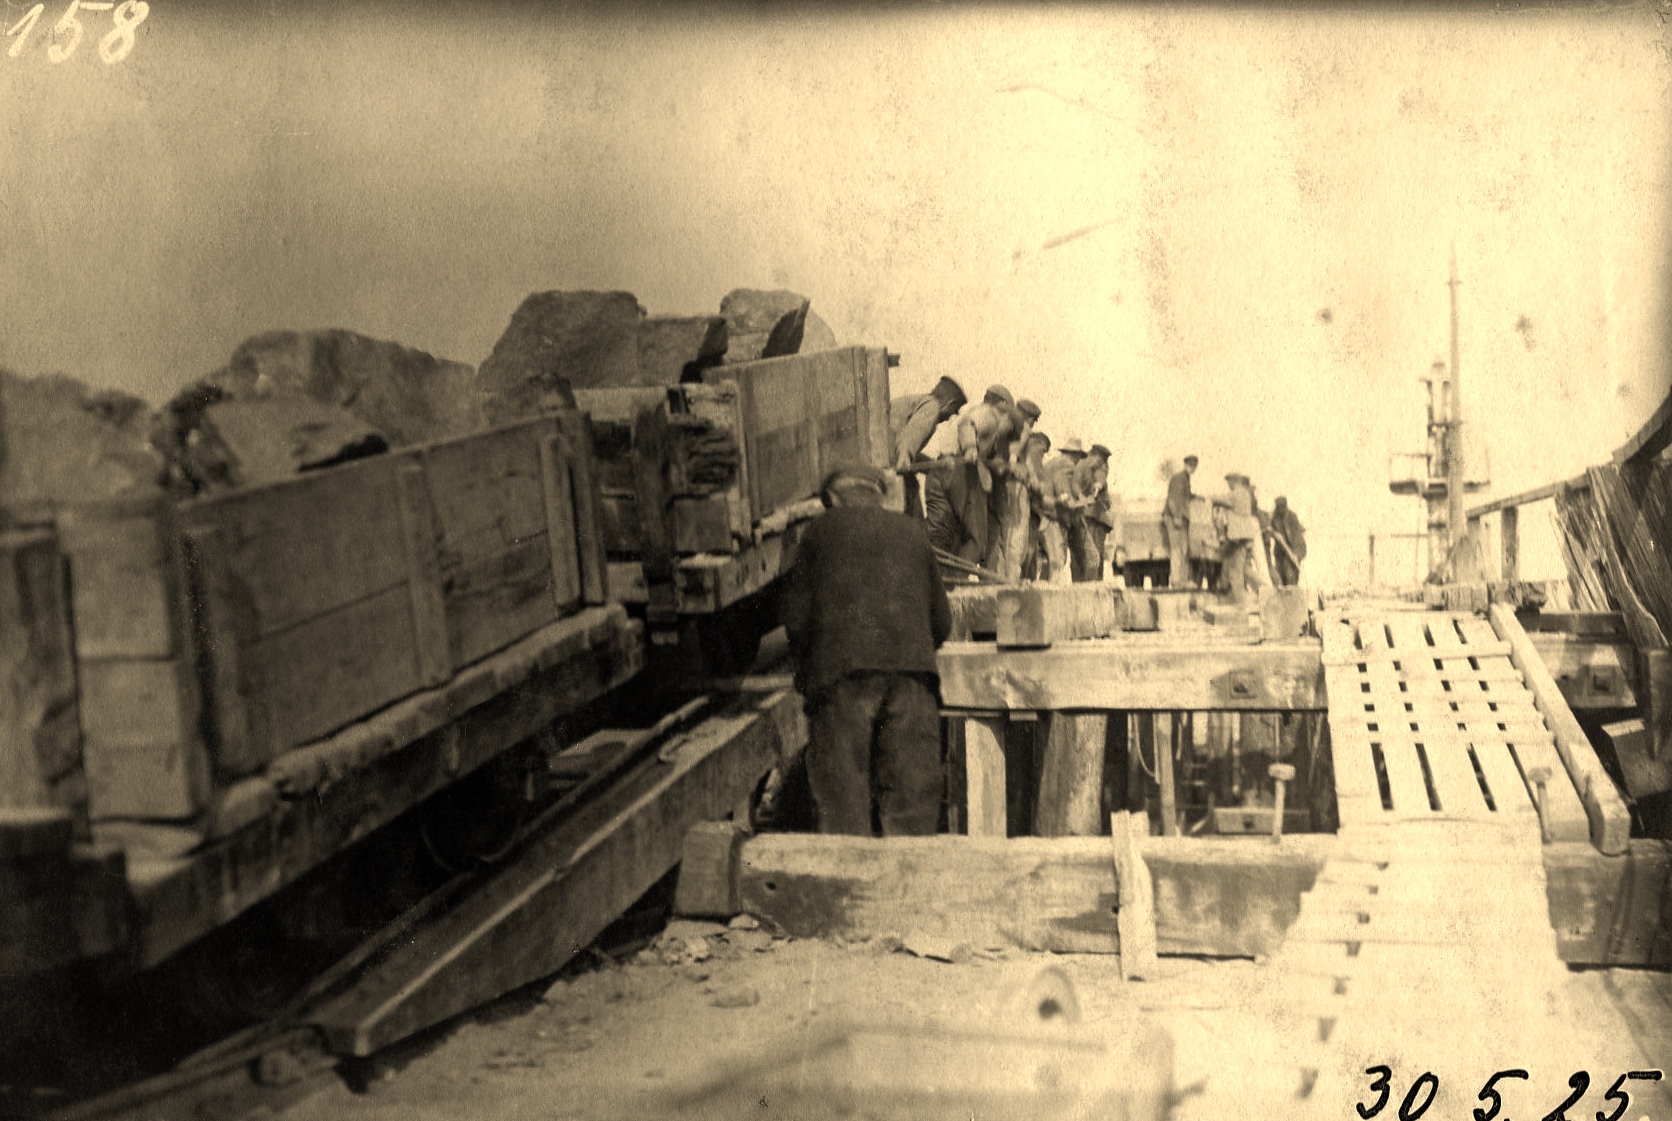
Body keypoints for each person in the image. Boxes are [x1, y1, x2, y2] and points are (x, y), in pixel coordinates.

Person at [780, 466, 953, 836]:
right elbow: (942, 623)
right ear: (878, 496)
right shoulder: (912, 531)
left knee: (844, 817)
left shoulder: (819, 532)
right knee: (912, 820)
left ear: (832, 500)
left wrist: (807, 679)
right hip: (913, 682)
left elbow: (795, 619)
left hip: (842, 682)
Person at [890, 376, 968, 518]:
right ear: (949, 403)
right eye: (953, 411)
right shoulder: (931, 406)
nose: (949, 418)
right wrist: (904, 458)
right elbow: (910, 437)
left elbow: (902, 446)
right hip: (889, 462)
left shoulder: (919, 402)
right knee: (911, 492)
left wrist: (935, 466)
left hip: (888, 455)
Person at [987, 398, 1041, 580]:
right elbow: (1015, 455)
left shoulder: (1003, 422)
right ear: (1029, 417)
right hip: (1014, 487)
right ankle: (1009, 581)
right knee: (1015, 538)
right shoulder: (1024, 428)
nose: (1033, 424)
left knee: (1002, 539)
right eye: (1034, 419)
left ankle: (1002, 579)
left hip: (999, 485)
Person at [1039, 436, 1088, 584]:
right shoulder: (1067, 465)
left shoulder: (1052, 463)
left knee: (1045, 562)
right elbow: (1064, 493)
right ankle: (1051, 595)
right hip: (1052, 519)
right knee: (1057, 562)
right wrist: (1079, 503)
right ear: (1075, 455)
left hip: (1041, 517)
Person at [1069, 444, 1113, 582]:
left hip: (1088, 517)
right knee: (1089, 555)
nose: (1100, 463)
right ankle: (1088, 586)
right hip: (1088, 516)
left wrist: (1099, 484)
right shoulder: (1087, 464)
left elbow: (1101, 478)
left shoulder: (1093, 465)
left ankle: (1086, 586)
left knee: (1087, 555)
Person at [1164, 455, 1198, 588]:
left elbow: (1185, 495)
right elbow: (1172, 499)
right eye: (1190, 466)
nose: (1192, 468)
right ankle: (1177, 580)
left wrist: (1197, 497)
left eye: (1193, 466)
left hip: (1181, 518)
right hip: (1175, 517)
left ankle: (1182, 580)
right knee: (1177, 549)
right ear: (1186, 465)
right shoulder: (1179, 478)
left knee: (1183, 549)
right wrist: (1176, 516)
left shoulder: (1185, 478)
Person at [1270, 496, 1307, 586]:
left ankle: (1292, 591)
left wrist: (1296, 554)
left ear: (1285, 506)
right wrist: (1273, 533)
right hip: (1281, 551)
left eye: (1282, 507)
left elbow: (1297, 537)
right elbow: (1269, 528)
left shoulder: (1292, 517)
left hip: (1294, 548)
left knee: (1290, 572)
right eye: (1278, 507)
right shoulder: (1274, 517)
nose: (1280, 510)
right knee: (1279, 574)